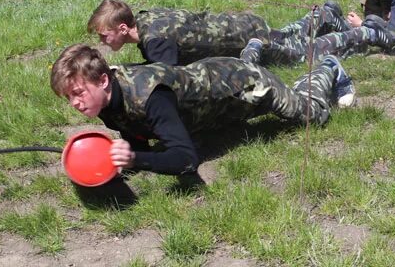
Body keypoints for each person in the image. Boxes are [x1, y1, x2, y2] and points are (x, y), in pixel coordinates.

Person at [50, 44, 355, 176]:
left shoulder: (152, 97)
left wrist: (135, 160)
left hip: (245, 85)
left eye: (77, 93)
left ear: (103, 80)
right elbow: (132, 129)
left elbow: (186, 159)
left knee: (312, 115)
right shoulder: (102, 97)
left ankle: (327, 69)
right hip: (209, 88)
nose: (75, 103)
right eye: (68, 97)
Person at [89, 0, 395, 67]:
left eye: (104, 35)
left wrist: (123, 70)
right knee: (287, 34)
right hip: (246, 26)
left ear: (122, 28)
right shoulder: (147, 18)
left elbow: (164, 75)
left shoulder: (155, 41)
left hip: (252, 43)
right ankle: (325, 12)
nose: (103, 42)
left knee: (306, 52)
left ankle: (372, 35)